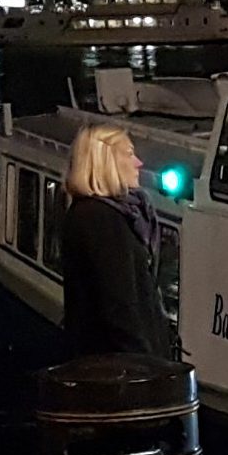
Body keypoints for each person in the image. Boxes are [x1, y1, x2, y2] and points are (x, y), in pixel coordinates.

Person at [61, 125, 175, 360]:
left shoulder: (109, 214)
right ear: (106, 160)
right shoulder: (98, 219)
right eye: (129, 154)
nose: (138, 163)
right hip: (119, 368)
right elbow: (119, 306)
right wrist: (147, 365)